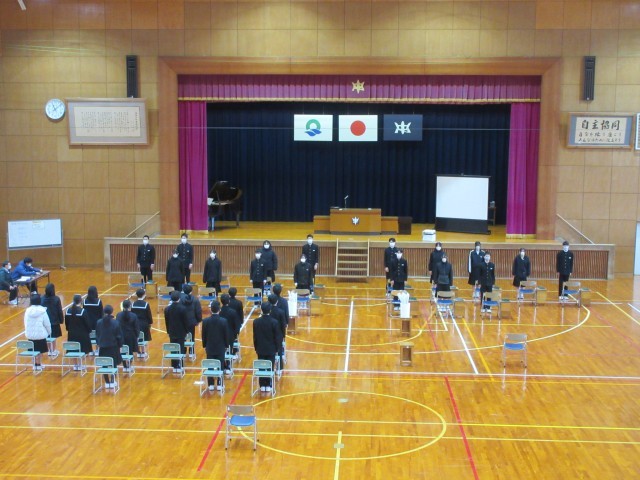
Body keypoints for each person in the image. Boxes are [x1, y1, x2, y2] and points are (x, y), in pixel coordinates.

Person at [201, 300, 230, 391]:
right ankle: (220, 384)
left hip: (209, 346)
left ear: (211, 310)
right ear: (219, 310)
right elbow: (226, 335)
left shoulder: (205, 321)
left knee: (210, 364)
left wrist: (204, 345)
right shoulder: (224, 321)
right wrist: (226, 345)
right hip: (220, 347)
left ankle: (210, 384)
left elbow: (203, 335)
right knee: (220, 365)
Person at [252, 301, 280, 393]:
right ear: (270, 310)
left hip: (260, 348)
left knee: (261, 367)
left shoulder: (256, 322)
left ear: (261, 310)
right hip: (271, 349)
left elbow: (255, 336)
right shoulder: (274, 322)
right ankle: (268, 385)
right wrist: (277, 348)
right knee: (269, 367)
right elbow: (277, 337)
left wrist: (256, 347)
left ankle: (262, 385)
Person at [95, 305, 122, 388]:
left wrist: (99, 343)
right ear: (112, 312)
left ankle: (107, 382)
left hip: (102, 346)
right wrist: (120, 345)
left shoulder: (99, 322)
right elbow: (119, 336)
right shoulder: (115, 323)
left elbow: (97, 334)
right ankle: (113, 381)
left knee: (104, 364)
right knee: (114, 364)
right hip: (113, 346)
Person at [24, 294, 51, 372]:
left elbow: (25, 322)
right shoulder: (43, 311)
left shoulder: (27, 311)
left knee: (33, 350)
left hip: (30, 335)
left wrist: (27, 331)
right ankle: (38, 364)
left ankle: (35, 364)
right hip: (40, 334)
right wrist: (49, 332)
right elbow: (47, 323)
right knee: (39, 351)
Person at [164, 290, 190, 373]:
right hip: (181, 332)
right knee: (180, 348)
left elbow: (166, 321)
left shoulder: (167, 309)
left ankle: (174, 365)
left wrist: (168, 331)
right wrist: (187, 331)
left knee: (173, 348)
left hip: (172, 331)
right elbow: (185, 321)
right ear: (179, 298)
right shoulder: (183, 309)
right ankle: (180, 365)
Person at [41, 283, 63, 358]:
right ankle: (53, 350)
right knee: (53, 336)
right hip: (54, 321)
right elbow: (59, 310)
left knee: (47, 336)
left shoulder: (42, 298)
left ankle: (50, 350)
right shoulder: (56, 299)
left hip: (44, 321)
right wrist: (61, 320)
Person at [117, 300, 139, 372]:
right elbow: (136, 327)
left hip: (121, 335)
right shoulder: (134, 315)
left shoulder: (118, 315)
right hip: (131, 336)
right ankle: (129, 365)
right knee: (130, 351)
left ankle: (124, 366)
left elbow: (117, 326)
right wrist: (137, 336)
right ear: (130, 306)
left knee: (123, 351)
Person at [131, 288, 153, 356]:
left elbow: (132, 314)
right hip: (144, 324)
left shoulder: (133, 304)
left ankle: (138, 351)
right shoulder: (146, 304)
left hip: (135, 323)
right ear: (144, 295)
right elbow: (149, 314)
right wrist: (150, 323)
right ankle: (143, 351)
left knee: (137, 337)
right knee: (143, 338)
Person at [268, 294, 286, 372]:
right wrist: (283, 335)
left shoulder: (268, 311)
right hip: (278, 334)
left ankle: (270, 367)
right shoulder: (281, 312)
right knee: (279, 351)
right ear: (277, 301)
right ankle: (279, 368)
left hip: (269, 334)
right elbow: (283, 325)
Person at [181, 284, 202, 350]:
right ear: (191, 291)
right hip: (192, 321)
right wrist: (198, 320)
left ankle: (183, 351)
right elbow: (198, 311)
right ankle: (191, 351)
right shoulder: (195, 300)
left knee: (183, 337)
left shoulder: (180, 299)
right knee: (191, 337)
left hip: (182, 321)